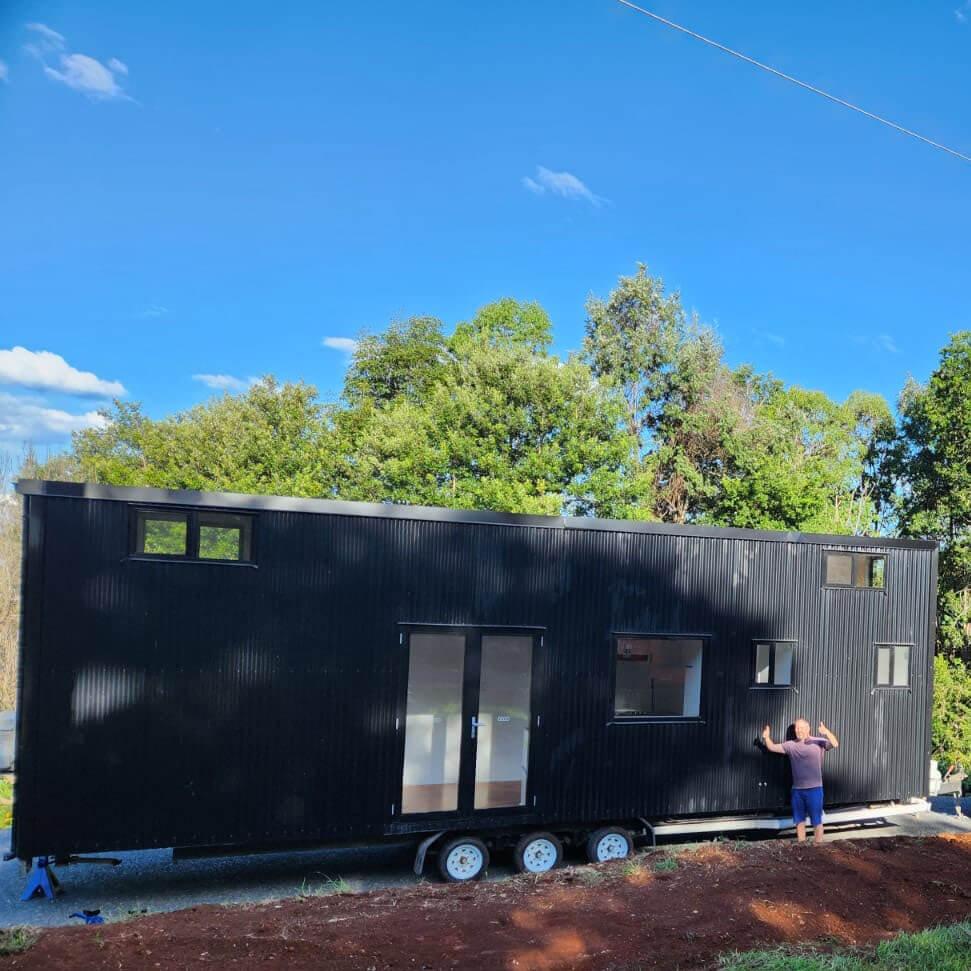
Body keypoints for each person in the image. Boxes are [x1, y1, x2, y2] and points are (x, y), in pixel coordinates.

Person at [762, 718, 839, 844]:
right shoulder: (790, 745)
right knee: (799, 822)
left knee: (816, 821)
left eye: (802, 728)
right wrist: (766, 738)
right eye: (797, 728)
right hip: (797, 791)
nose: (799, 730)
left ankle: (818, 849)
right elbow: (772, 747)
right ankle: (801, 848)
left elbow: (835, 744)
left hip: (815, 789)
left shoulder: (819, 742)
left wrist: (826, 732)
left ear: (808, 729)